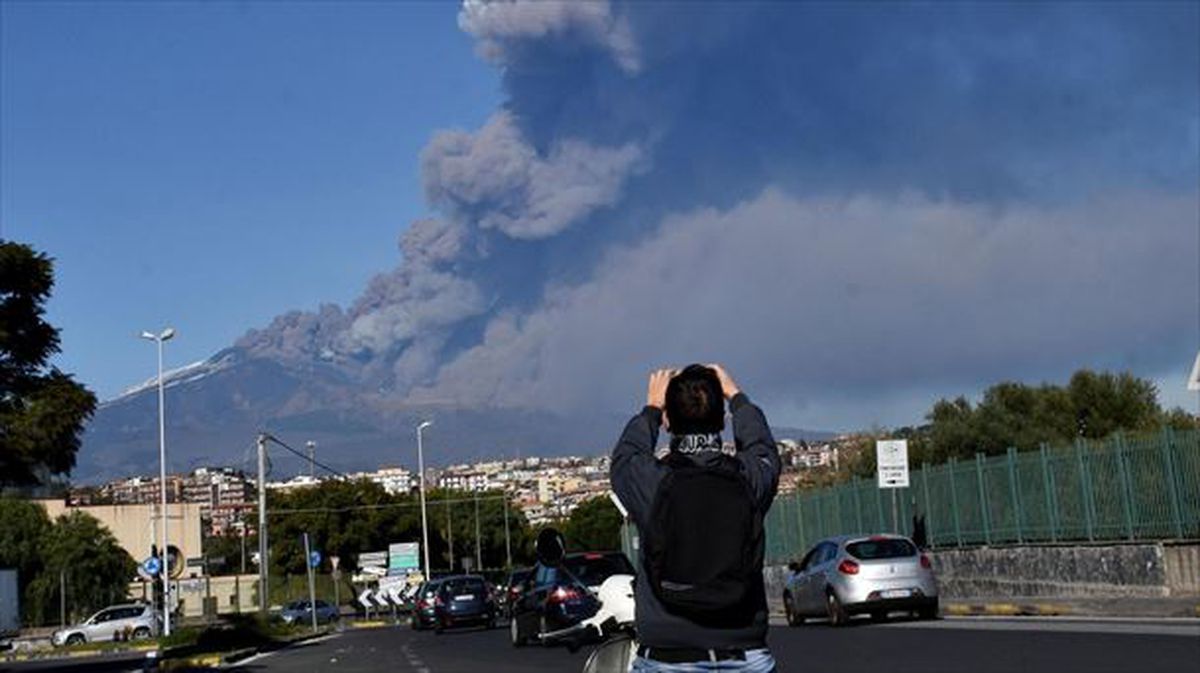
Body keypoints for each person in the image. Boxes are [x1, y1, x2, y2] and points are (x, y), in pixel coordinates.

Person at [611, 364, 781, 673]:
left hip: (667, 658)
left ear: (667, 421)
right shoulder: (748, 479)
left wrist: (650, 409)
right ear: (722, 420)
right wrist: (738, 397)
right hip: (744, 655)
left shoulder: (653, 484)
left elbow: (625, 458)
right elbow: (763, 448)